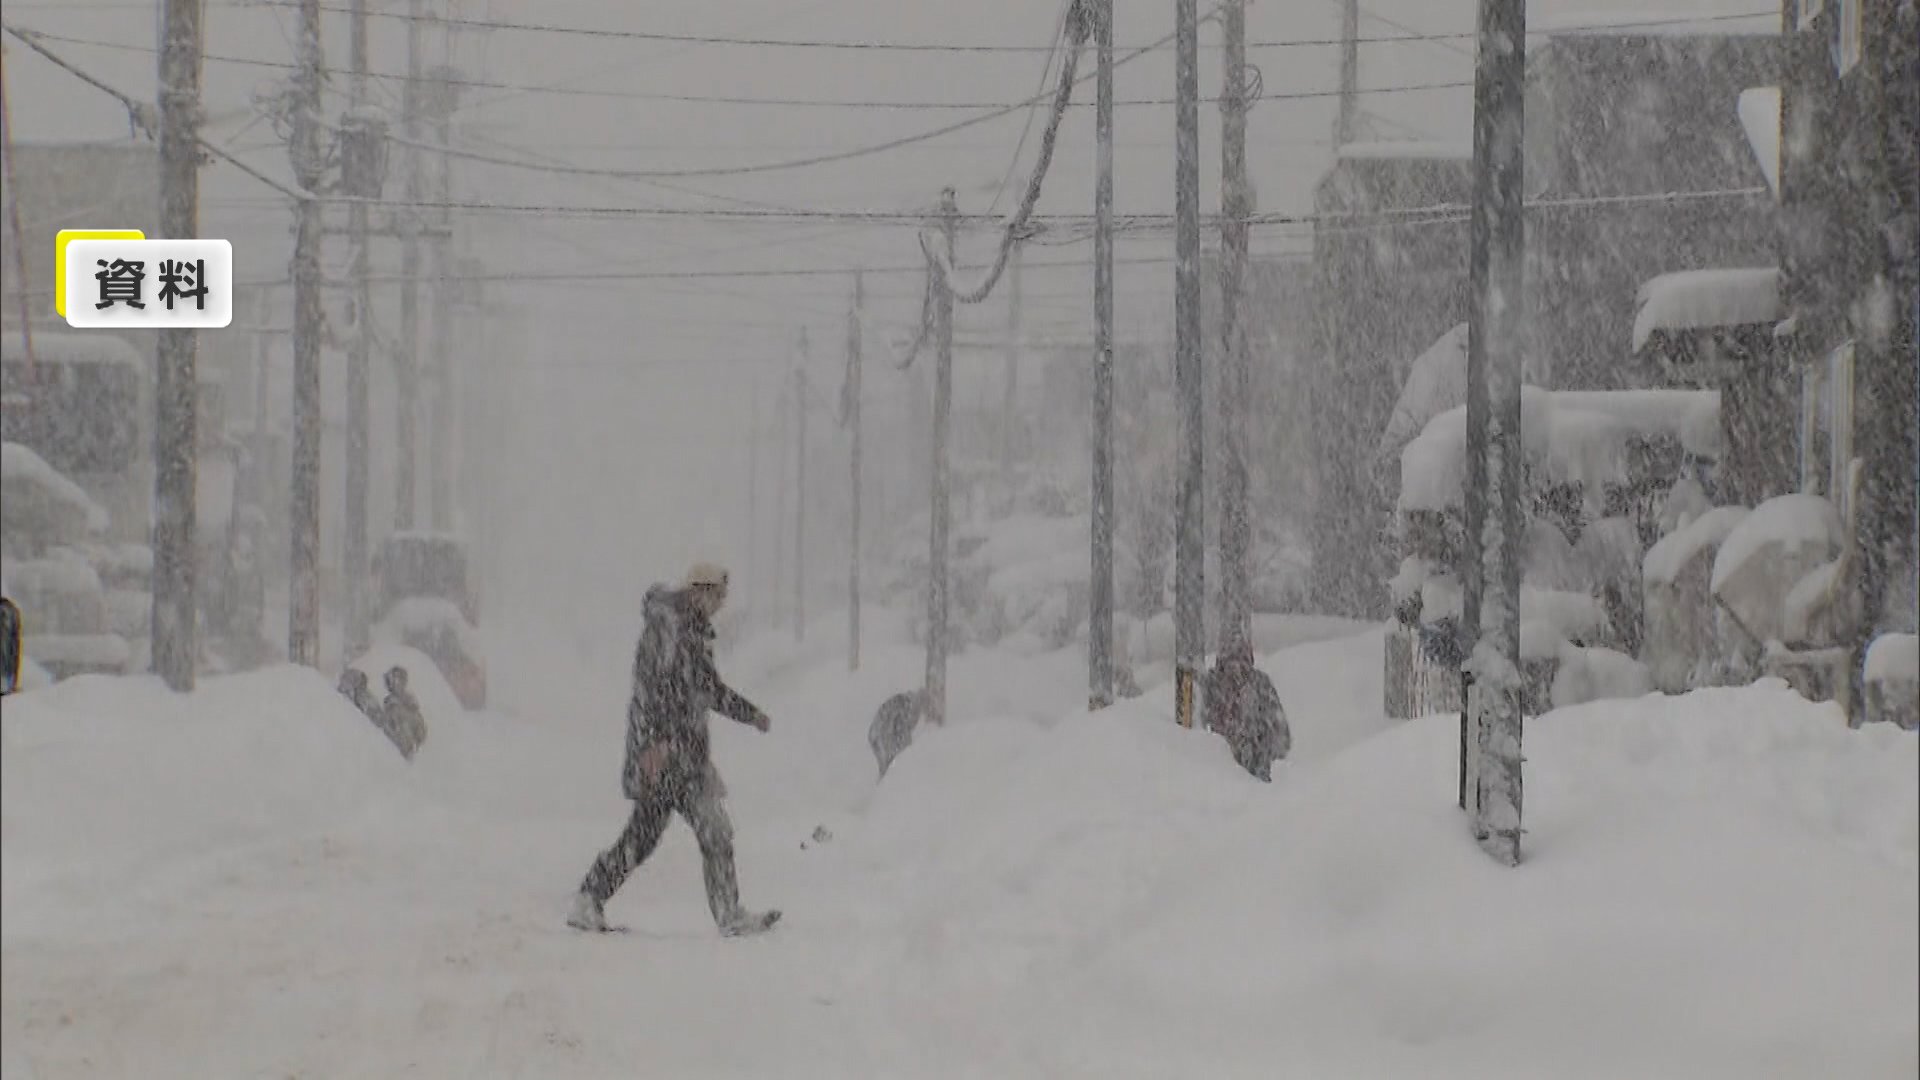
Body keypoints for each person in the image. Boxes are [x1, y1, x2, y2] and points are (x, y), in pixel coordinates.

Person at [567, 562, 779, 937]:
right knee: (653, 835)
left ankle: (728, 912)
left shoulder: (693, 633)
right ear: (700, 591)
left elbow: (708, 691)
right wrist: (653, 743)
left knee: (704, 831)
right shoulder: (667, 630)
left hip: (685, 757)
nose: (720, 606)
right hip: (663, 757)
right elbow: (651, 691)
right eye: (717, 597)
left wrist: (751, 714)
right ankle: (589, 898)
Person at [1203, 644, 1291, 782]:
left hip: (1253, 776)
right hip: (1214, 775)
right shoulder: (1210, 685)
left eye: (1240, 660)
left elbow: (1280, 738)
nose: (1235, 669)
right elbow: (1193, 732)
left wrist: (1262, 761)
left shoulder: (1260, 685)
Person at [867, 689, 928, 779]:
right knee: (892, 767)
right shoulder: (908, 706)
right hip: (881, 734)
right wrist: (907, 752)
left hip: (874, 733)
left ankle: (882, 787)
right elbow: (901, 731)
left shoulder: (903, 700)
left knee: (886, 768)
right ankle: (886, 787)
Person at [382, 666, 428, 761]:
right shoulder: (391, 706)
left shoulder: (411, 704)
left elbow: (420, 725)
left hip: (415, 750)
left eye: (399, 680)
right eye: (394, 681)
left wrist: (419, 740)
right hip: (400, 752)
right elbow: (390, 729)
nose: (397, 684)